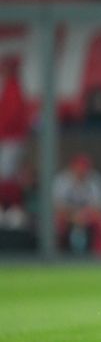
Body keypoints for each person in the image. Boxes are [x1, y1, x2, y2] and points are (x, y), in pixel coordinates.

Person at [53, 154, 101, 257]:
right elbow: (58, 206)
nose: (81, 171)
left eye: (84, 168)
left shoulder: (95, 179)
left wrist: (84, 215)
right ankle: (54, 256)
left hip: (88, 215)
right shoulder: (62, 180)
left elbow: (99, 207)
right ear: (72, 167)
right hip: (67, 215)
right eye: (79, 168)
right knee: (55, 224)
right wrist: (73, 215)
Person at [0, 57, 29, 228]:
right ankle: (6, 209)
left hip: (11, 139)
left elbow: (12, 117)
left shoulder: (13, 87)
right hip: (7, 139)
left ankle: (12, 209)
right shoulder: (7, 85)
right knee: (6, 175)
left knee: (7, 175)